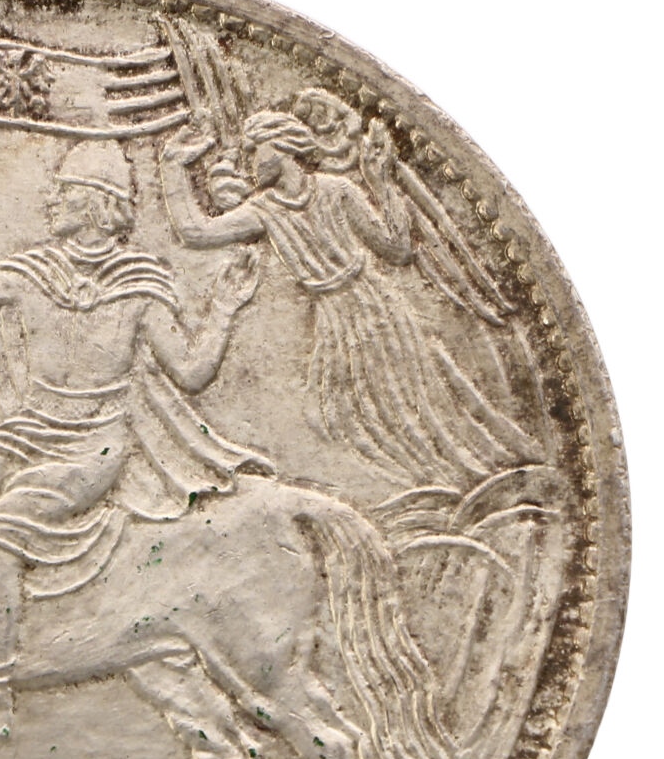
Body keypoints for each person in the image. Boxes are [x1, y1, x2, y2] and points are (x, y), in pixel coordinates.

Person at [0, 139, 264, 738]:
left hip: (95, 440)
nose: (52, 201)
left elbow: (192, 372)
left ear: (96, 204)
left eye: (65, 194)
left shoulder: (140, 283)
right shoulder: (32, 271)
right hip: (29, 428)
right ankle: (22, 619)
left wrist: (223, 308)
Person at [158, 104, 534, 493]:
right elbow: (195, 232)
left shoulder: (337, 190)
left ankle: (456, 479)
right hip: (334, 318)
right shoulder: (264, 210)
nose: (249, 161)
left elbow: (398, 248)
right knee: (334, 415)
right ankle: (416, 485)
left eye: (254, 150)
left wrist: (381, 183)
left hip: (376, 305)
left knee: (411, 399)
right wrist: (172, 166)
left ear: (281, 145)